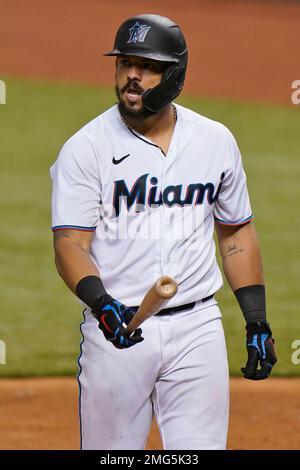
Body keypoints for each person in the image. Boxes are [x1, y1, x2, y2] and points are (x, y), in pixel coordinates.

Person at [50, 14, 277, 450]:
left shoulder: (215, 141)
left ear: (175, 74)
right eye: (124, 64)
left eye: (148, 66)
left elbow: (235, 234)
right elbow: (69, 244)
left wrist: (256, 320)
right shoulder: (86, 148)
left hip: (198, 330)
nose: (132, 76)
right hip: (118, 330)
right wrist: (102, 305)